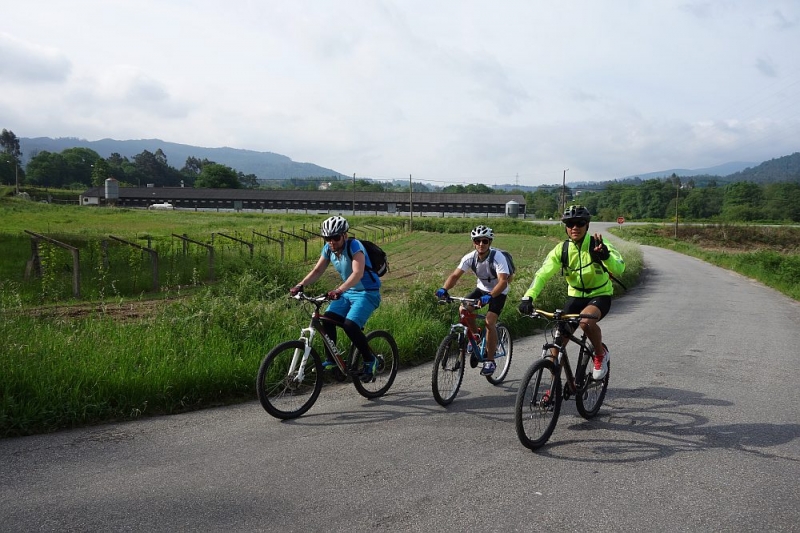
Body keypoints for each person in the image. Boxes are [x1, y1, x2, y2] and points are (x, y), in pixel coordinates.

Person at [518, 205, 625, 380]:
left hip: (599, 295)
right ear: (566, 227)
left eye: (579, 223)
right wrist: (529, 296)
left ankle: (600, 354)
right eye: (570, 223)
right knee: (556, 345)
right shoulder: (562, 249)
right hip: (575, 296)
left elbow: (620, 267)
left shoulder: (599, 244)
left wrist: (606, 256)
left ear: (587, 225)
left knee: (585, 322)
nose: (575, 227)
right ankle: (553, 391)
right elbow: (543, 274)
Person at [289, 216, 381, 381]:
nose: (331, 241)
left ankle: (370, 360)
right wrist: (300, 285)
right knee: (328, 319)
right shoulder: (328, 249)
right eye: (327, 238)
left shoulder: (355, 246)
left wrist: (339, 289)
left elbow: (357, 273)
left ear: (344, 235)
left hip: (367, 292)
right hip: (348, 292)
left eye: (336, 237)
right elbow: (317, 271)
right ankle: (331, 360)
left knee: (350, 325)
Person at [435, 225, 510, 376]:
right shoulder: (470, 258)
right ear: (473, 242)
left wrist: (490, 296)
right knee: (463, 310)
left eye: (485, 241)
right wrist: (444, 289)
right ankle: (475, 336)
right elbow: (455, 276)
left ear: (490, 242)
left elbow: (503, 281)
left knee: (489, 322)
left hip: (498, 291)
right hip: (481, 289)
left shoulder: (498, 257)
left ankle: (490, 361)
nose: (481, 244)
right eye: (477, 241)